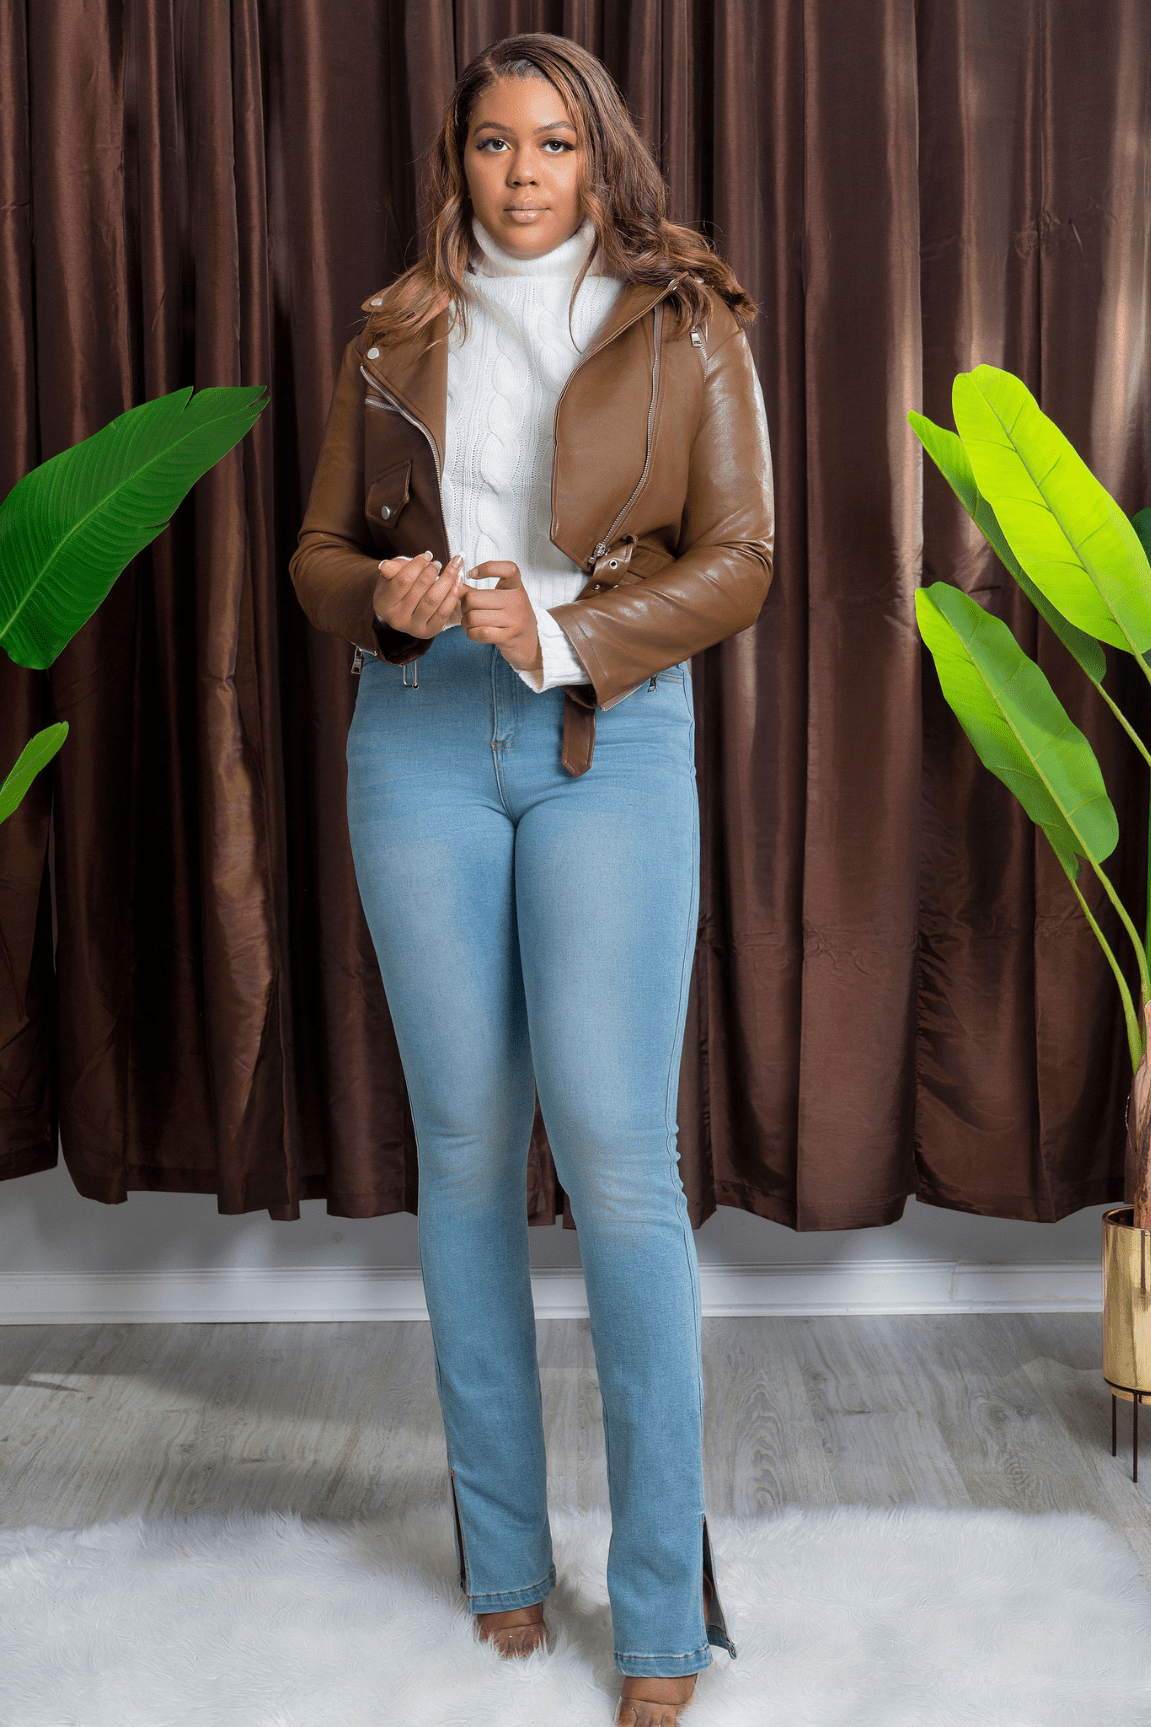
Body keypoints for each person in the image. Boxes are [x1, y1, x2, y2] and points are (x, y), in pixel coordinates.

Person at [289, 32, 773, 1727]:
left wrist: (558, 630)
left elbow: (741, 558)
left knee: (620, 1163)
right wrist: (385, 601)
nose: (520, 174)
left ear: (599, 157)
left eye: (553, 143)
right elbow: (317, 553)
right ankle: (500, 1561)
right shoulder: (392, 330)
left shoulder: (682, 320)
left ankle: (655, 1615)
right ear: (458, 158)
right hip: (416, 743)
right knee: (465, 1156)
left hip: (605, 740)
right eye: (493, 143)